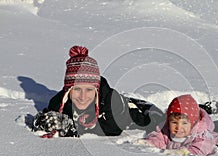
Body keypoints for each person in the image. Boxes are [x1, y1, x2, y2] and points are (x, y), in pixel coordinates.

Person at [33, 45, 164, 138]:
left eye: (89, 90)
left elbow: (112, 129)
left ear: (96, 89)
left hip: (127, 113)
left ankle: (138, 104)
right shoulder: (58, 102)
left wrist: (70, 127)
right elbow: (43, 118)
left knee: (155, 120)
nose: (83, 96)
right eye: (77, 89)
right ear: (68, 90)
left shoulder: (111, 100)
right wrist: (44, 122)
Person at [141, 94, 218, 156]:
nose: (179, 127)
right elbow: (158, 137)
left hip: (214, 139)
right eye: (174, 122)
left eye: (184, 123)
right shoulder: (166, 130)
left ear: (193, 123)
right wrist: (149, 143)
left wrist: (183, 152)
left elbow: (199, 149)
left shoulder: (201, 136)